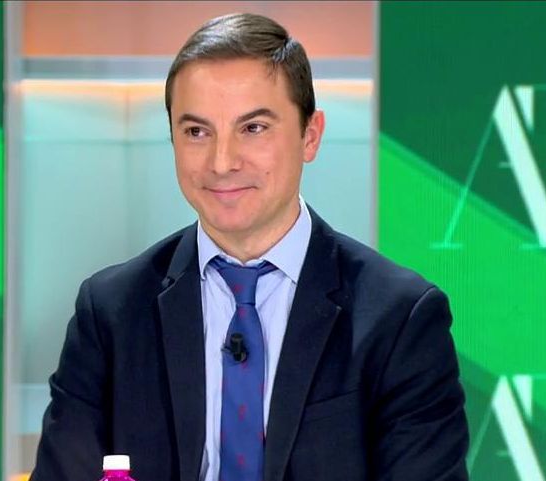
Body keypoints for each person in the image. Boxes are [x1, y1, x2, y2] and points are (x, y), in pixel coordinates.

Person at [30, 12, 468, 481]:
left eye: (253, 128)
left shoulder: (399, 319)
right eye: (197, 132)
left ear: (310, 135)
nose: (222, 163)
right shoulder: (111, 313)